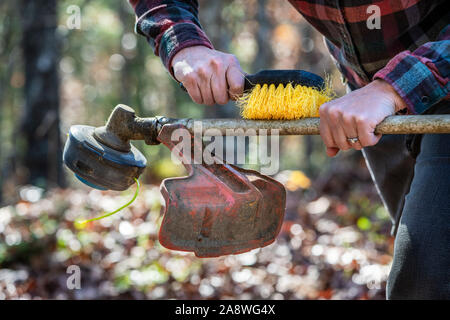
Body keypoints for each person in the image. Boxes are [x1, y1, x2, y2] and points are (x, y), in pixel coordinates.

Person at [128, 0, 450, 299]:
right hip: (367, 105)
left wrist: (393, 87)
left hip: (432, 93)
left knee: (423, 273)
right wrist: (185, 44)